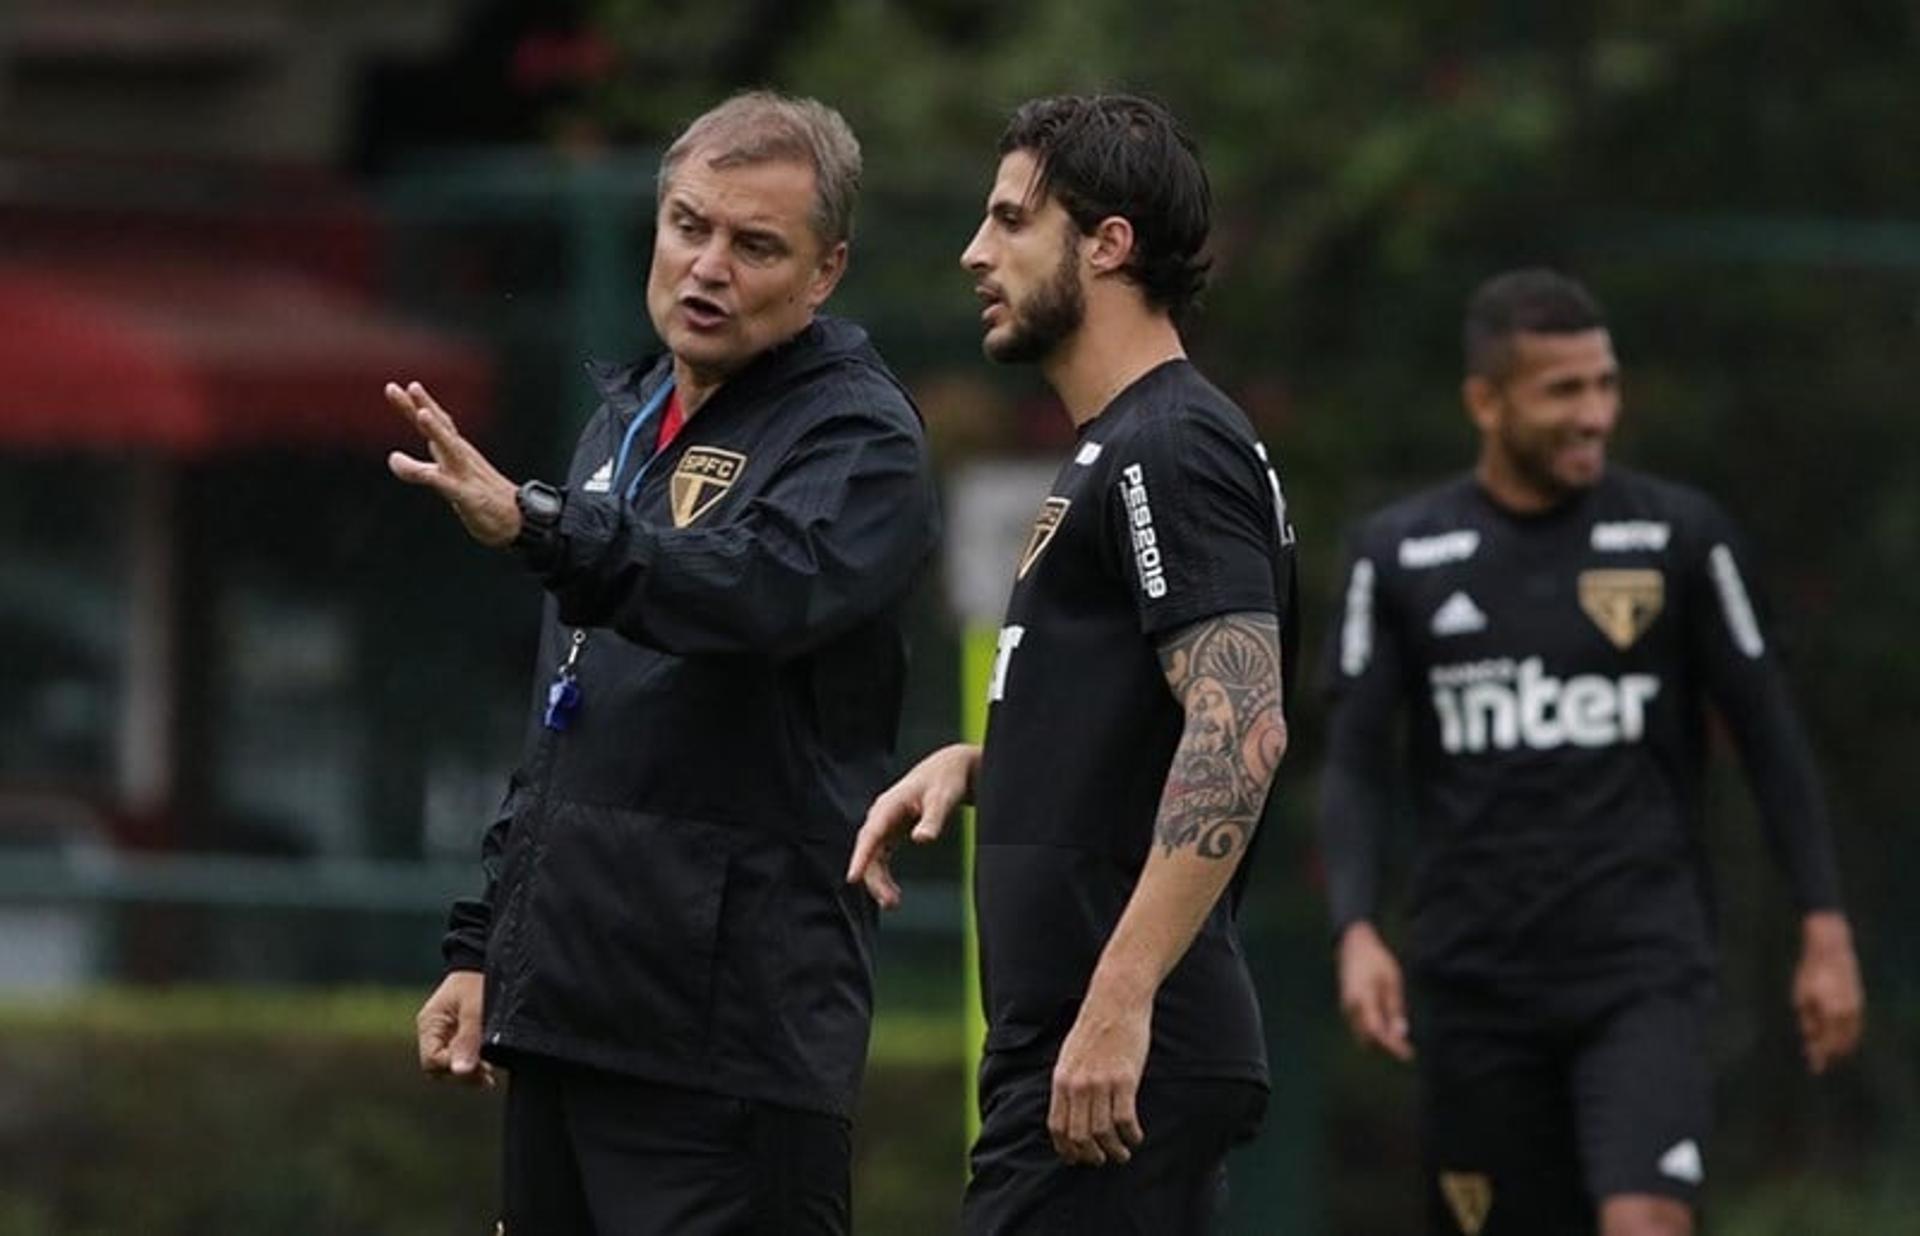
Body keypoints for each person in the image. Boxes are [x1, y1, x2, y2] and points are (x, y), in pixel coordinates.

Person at [389, 90, 939, 1235]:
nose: (709, 266)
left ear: (826, 271)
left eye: (755, 245)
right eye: (690, 226)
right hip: (572, 1020)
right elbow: (568, 722)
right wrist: (489, 944)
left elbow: (748, 591)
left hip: (728, 1052)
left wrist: (546, 530)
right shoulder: (625, 422)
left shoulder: (860, 439)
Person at [1318, 268, 1865, 1236]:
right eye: (1563, 390)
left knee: (1645, 1216)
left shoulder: (1679, 538)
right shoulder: (1398, 555)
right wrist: (1356, 927)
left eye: (1605, 385)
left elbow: (1771, 739)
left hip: (1640, 967)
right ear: (1486, 402)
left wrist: (1824, 926)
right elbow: (1356, 763)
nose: (1595, 414)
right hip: (1473, 978)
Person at [848, 94, 1297, 1234]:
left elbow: (1240, 729)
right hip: (1089, 1052)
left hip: (1117, 1052)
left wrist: (1118, 998)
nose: (974, 252)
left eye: (1010, 220)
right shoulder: (1114, 450)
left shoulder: (1172, 445)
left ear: (1108, 244)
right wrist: (991, 760)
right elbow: (1148, 719)